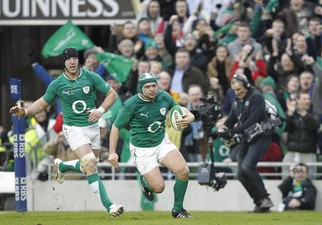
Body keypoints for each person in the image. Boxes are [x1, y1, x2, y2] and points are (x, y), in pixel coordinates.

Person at [9, 48, 124, 217]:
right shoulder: (57, 84)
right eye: (68, 59)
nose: (72, 62)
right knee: (90, 164)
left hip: (92, 126)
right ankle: (110, 206)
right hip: (74, 129)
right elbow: (42, 103)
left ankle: (62, 165)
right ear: (64, 63)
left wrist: (100, 110)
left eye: (74, 58)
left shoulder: (91, 77)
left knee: (90, 165)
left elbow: (112, 94)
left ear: (78, 60)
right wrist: (25, 112)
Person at [108, 73, 196, 218]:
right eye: (147, 87)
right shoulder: (131, 104)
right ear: (140, 89)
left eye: (154, 85)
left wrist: (191, 115)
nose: (152, 89)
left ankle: (178, 210)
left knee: (183, 171)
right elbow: (116, 127)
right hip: (142, 149)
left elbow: (177, 108)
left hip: (162, 141)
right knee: (159, 188)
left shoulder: (164, 96)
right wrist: (112, 152)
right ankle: (145, 182)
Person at [218, 73, 274, 213]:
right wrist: (223, 129)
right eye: (235, 90)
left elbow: (254, 119)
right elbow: (231, 120)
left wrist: (233, 131)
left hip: (260, 136)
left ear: (247, 86)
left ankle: (265, 197)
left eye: (240, 90)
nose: (237, 93)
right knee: (241, 174)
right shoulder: (237, 101)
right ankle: (260, 203)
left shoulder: (257, 97)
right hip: (246, 138)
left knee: (247, 166)